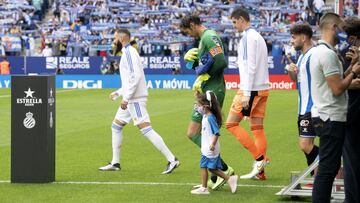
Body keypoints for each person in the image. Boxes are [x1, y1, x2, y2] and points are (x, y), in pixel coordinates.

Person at [99, 29, 180, 174]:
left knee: (146, 129)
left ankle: (172, 159)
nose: (113, 41)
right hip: (132, 98)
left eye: (115, 38)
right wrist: (119, 92)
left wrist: (126, 97)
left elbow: (135, 77)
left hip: (134, 100)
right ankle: (115, 163)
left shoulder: (129, 53)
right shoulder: (127, 53)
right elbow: (130, 79)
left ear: (122, 39)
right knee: (116, 127)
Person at [309, 13, 360, 203]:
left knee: (328, 169)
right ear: (332, 26)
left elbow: (338, 81)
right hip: (330, 117)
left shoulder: (322, 51)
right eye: (340, 27)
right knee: (328, 171)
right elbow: (338, 88)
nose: (343, 32)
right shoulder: (327, 54)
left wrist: (352, 66)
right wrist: (354, 71)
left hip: (327, 115)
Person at [180, 15, 234, 190]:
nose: (188, 35)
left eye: (187, 31)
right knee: (196, 133)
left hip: (213, 90)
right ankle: (219, 171)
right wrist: (197, 63)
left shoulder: (209, 37)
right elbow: (208, 62)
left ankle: (222, 170)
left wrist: (205, 73)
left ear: (193, 24)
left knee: (196, 132)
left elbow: (220, 62)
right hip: (207, 90)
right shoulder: (203, 39)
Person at [227, 7, 270, 180]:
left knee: (231, 124)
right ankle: (261, 173)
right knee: (257, 128)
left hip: (251, 88)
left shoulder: (247, 37)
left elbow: (249, 66)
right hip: (263, 88)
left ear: (242, 19)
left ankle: (259, 159)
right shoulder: (258, 37)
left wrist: (246, 93)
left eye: (234, 22)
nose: (234, 25)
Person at [287, 23, 318, 186]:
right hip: (303, 108)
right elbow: (294, 79)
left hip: (312, 109)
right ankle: (317, 178)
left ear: (303, 37)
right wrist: (291, 70)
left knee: (305, 145)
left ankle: (329, 171)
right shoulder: (302, 56)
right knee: (307, 145)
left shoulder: (314, 54)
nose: (292, 41)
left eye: (294, 37)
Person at [191, 91, 238, 195]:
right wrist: (197, 96)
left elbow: (216, 133)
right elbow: (199, 107)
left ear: (206, 106)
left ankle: (204, 188)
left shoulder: (210, 118)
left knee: (203, 166)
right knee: (212, 168)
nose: (197, 107)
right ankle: (229, 179)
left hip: (210, 148)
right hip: (207, 147)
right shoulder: (205, 115)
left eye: (199, 105)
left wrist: (212, 144)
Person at [342, 17, 360, 203]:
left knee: (351, 161)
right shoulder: (347, 54)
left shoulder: (345, 53)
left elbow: (336, 85)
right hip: (352, 113)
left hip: (352, 114)